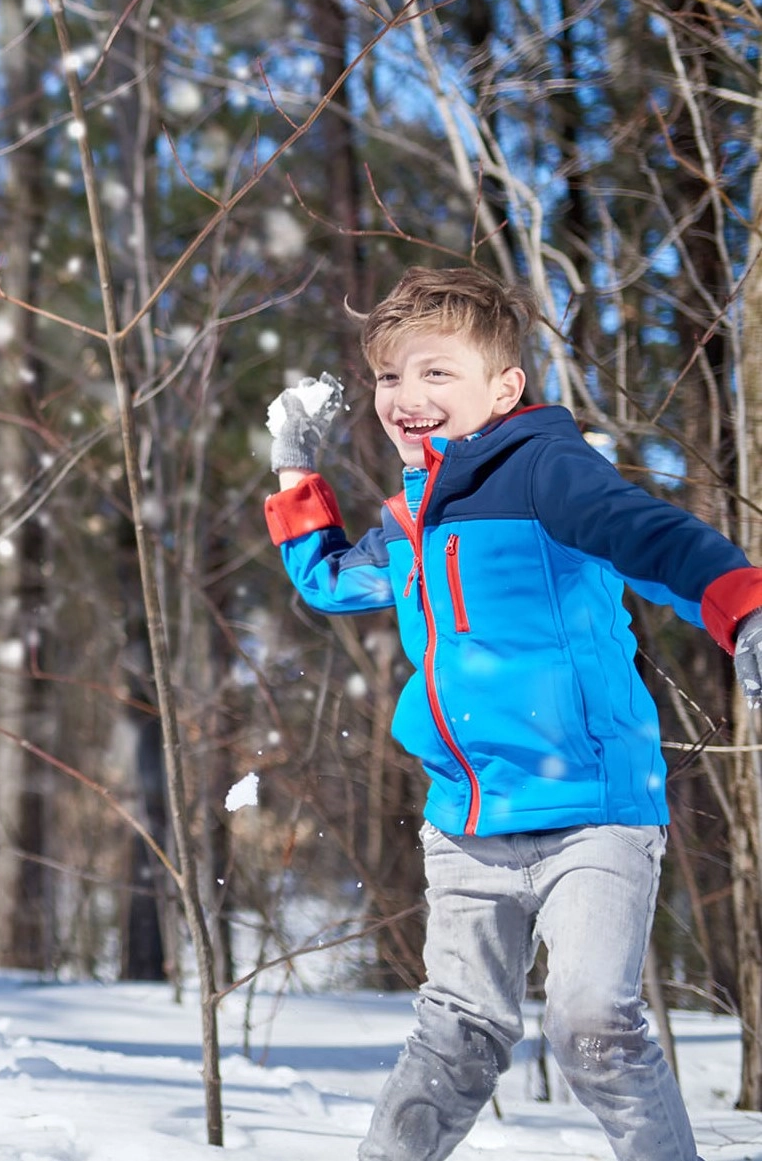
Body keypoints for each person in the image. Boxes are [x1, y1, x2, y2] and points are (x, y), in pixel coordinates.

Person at [262, 267, 762, 1161]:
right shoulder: (416, 509)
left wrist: (742, 603)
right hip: (467, 820)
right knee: (455, 1032)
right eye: (389, 378)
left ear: (505, 387)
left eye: (436, 374)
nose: (407, 398)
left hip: (593, 812)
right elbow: (331, 579)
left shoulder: (545, 471)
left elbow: (646, 533)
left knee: (593, 1022)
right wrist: (297, 467)